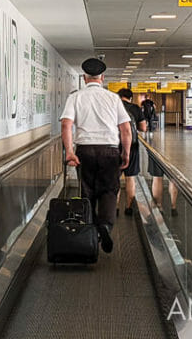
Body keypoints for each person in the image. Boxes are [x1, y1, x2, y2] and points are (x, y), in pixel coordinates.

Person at [60, 58, 131, 254]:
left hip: (85, 150)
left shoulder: (75, 97)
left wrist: (70, 152)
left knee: (87, 191)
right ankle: (106, 226)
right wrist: (125, 153)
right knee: (109, 190)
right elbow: (125, 129)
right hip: (109, 149)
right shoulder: (113, 98)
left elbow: (66, 125)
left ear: (84, 78)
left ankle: (89, 232)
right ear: (103, 78)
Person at [116, 88, 147, 216]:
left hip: (115, 146)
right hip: (132, 146)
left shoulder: (114, 106)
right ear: (130, 97)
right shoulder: (135, 108)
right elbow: (143, 128)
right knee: (130, 178)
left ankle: (115, 208)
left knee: (115, 179)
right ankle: (129, 208)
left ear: (119, 96)